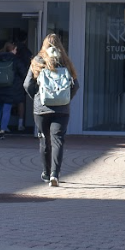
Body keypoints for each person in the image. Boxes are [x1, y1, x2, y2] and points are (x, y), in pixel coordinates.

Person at [24, 34, 79, 187]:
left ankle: (46, 173)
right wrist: (65, 98)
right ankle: (55, 173)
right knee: (58, 141)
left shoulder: (37, 61)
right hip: (62, 109)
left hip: (41, 109)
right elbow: (76, 85)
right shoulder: (65, 62)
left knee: (44, 140)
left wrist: (37, 97)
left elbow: (27, 84)